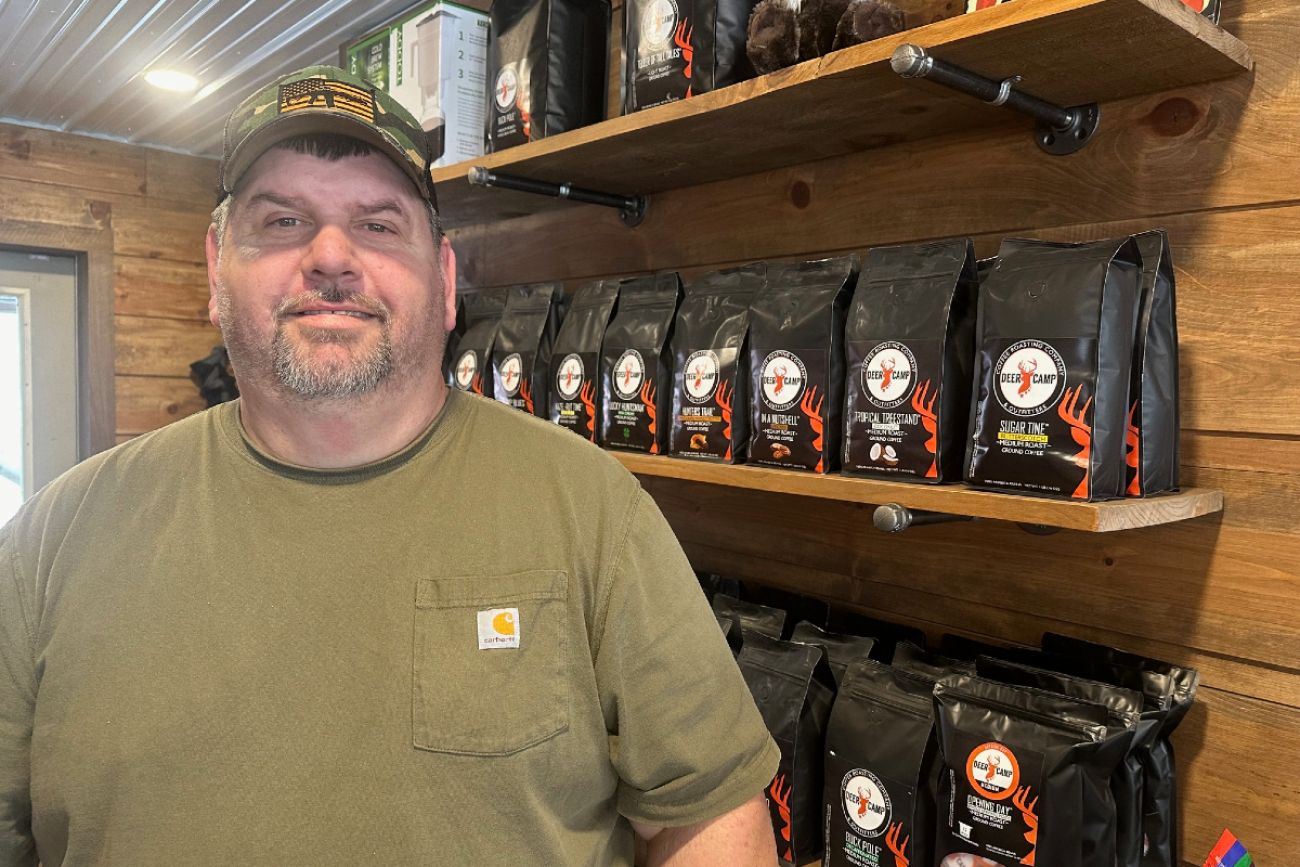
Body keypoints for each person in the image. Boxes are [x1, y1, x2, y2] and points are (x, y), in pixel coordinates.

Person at [0, 66, 779, 865]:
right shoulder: (51, 543)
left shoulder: (591, 510)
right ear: (214, 268)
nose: (331, 257)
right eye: (282, 220)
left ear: (444, 282)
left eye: (377, 225)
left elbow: (708, 817)